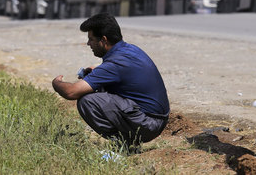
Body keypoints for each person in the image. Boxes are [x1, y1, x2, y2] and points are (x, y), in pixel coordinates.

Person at [52, 12, 169, 148]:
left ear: (104, 40)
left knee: (87, 101)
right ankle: (127, 139)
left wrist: (56, 82)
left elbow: (70, 92)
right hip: (157, 119)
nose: (88, 43)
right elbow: (118, 71)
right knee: (100, 87)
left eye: (91, 39)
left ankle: (123, 144)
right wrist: (97, 72)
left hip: (148, 123)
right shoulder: (130, 50)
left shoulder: (114, 65)